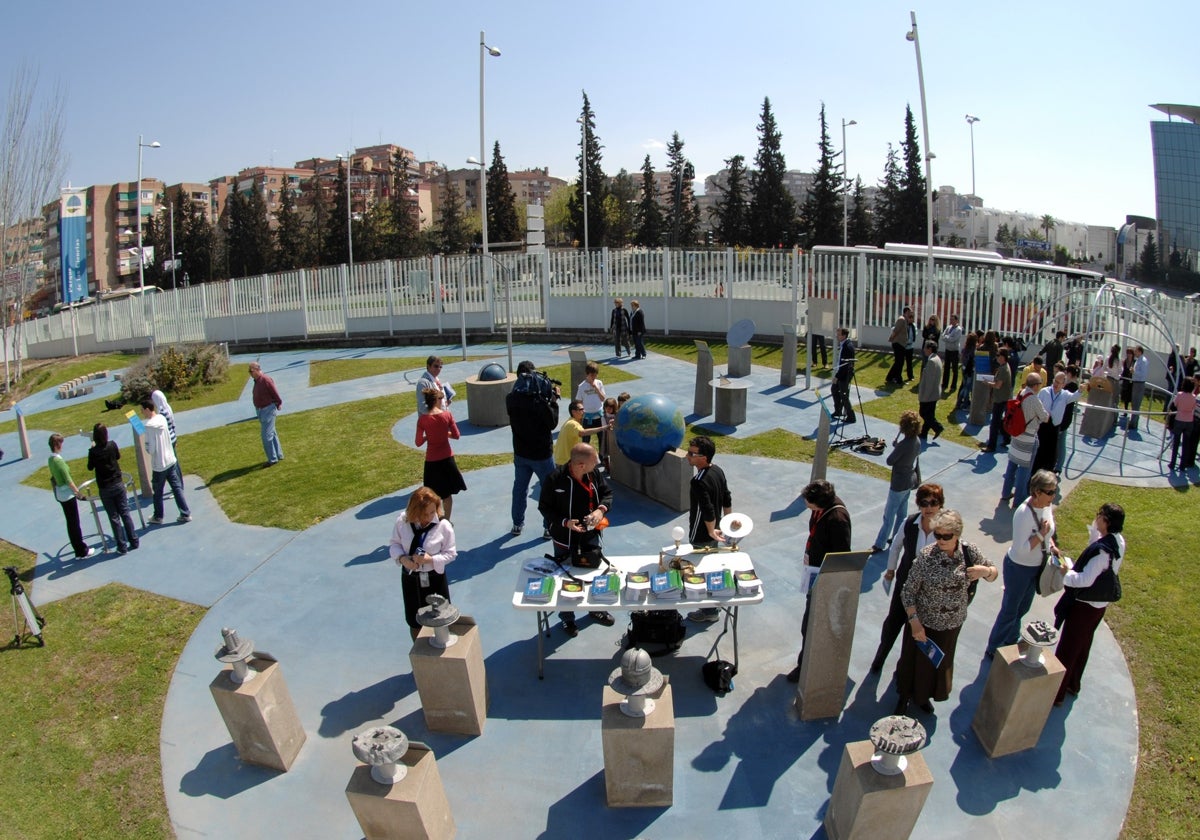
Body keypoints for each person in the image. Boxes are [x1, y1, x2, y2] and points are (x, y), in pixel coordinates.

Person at [894, 509, 997, 715]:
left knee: (936, 666)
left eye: (946, 536)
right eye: (937, 535)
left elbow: (994, 573)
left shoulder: (970, 552)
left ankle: (922, 697)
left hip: (951, 624)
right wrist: (915, 623)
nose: (940, 540)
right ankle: (904, 698)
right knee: (913, 664)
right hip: (924, 624)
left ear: (957, 534)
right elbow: (908, 592)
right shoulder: (926, 556)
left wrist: (985, 571)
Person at [537, 443, 615, 637]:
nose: (596, 466)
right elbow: (544, 507)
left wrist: (600, 510)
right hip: (564, 539)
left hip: (590, 537)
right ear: (580, 464)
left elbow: (607, 494)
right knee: (564, 578)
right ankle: (567, 618)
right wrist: (565, 523)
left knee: (594, 574)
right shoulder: (555, 479)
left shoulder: (594, 475)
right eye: (593, 463)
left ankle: (595, 608)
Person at [1053, 502, 1126, 706]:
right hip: (1098, 606)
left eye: (1099, 515)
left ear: (1106, 521)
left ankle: (1055, 693)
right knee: (1083, 644)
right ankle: (1072, 684)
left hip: (1084, 606)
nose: (1096, 517)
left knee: (1068, 647)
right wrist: (1095, 532)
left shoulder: (1103, 554)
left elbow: (1085, 580)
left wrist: (1066, 574)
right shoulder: (1118, 542)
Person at [870, 483, 944, 673]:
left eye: (933, 503)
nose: (928, 508)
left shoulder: (945, 529)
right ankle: (879, 658)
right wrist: (891, 570)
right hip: (905, 584)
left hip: (927, 591)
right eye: (924, 503)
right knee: (893, 624)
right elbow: (896, 547)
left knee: (916, 633)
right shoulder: (910, 523)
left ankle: (902, 671)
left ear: (940, 504)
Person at [985, 470, 1060, 657]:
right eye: (1050, 492)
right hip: (1019, 568)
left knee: (1022, 608)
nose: (1054, 495)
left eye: (1055, 491)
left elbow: (1048, 529)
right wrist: (1041, 535)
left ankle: (1010, 640)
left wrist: (1050, 543)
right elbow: (1021, 549)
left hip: (1035, 567)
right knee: (1009, 611)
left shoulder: (1046, 506)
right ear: (1037, 491)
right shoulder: (1024, 514)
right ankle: (993, 648)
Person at [787, 480, 852, 682]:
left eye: (809, 502)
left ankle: (807, 667)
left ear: (820, 503)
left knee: (813, 624)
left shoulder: (837, 519)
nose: (806, 504)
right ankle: (806, 662)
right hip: (813, 570)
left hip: (824, 580)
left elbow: (840, 557)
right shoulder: (820, 510)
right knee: (808, 624)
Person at [389, 486, 457, 641]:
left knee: (442, 618)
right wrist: (402, 559)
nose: (428, 517)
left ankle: (444, 653)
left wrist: (430, 560)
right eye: (423, 514)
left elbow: (451, 553)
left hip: (434, 578)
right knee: (414, 621)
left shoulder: (443, 526)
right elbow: (394, 544)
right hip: (411, 578)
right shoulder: (402, 521)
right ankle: (421, 656)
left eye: (432, 512)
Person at [684, 435, 733, 624]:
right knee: (713, 568)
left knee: (701, 570)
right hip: (717, 529)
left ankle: (708, 611)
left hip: (702, 533)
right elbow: (727, 497)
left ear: (703, 458)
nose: (688, 456)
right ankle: (714, 601)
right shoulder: (718, 471)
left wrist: (711, 531)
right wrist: (726, 522)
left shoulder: (698, 481)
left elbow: (707, 509)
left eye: (691, 453)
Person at [507, 360, 559, 538]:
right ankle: (548, 526)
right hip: (542, 455)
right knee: (549, 490)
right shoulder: (539, 402)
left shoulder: (511, 399)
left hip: (521, 453)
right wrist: (553, 402)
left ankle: (517, 524)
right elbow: (552, 423)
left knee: (519, 489)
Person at [871, 411, 921, 554]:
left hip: (899, 482)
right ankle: (897, 537)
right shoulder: (916, 440)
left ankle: (879, 544)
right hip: (909, 480)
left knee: (889, 515)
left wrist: (897, 447)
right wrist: (898, 447)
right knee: (902, 513)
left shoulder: (904, 445)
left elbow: (890, 461)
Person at [415, 388, 466, 522]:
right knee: (447, 494)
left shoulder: (423, 420)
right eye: (441, 398)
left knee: (430, 495)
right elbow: (456, 435)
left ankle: (433, 519)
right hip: (447, 459)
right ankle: (446, 521)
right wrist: (445, 434)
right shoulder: (447, 415)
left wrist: (427, 437)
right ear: (436, 400)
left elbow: (418, 442)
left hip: (431, 461)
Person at [87, 423, 139, 555]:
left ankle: (122, 546)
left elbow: (90, 467)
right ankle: (134, 540)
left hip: (105, 487)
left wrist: (93, 449)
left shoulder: (93, 452)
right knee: (125, 512)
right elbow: (117, 456)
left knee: (114, 517)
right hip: (117, 483)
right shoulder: (112, 445)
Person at [141, 398, 192, 524]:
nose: (141, 412)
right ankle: (185, 513)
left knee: (157, 492)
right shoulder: (162, 418)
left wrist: (147, 446)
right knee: (176, 487)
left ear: (147, 409)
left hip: (159, 465)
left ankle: (158, 516)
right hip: (170, 460)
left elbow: (151, 449)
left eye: (142, 410)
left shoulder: (149, 426)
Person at [1001, 372, 1048, 507]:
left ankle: (1005, 493)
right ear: (1036, 385)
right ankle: (1019, 500)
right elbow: (1044, 416)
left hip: (1016, 434)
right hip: (1028, 438)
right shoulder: (1034, 399)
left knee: (1012, 465)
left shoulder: (1021, 393)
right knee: (1024, 470)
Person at [47, 433, 94, 560]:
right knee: (74, 523)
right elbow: (69, 481)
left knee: (71, 523)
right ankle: (81, 550)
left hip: (60, 495)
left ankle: (78, 549)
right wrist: (79, 494)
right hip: (67, 495)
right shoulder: (59, 461)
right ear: (57, 445)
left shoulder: (51, 459)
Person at [1032, 371, 1082, 475]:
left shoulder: (1065, 395)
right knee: (1038, 452)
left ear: (1063, 384)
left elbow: (1075, 396)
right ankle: (1034, 474)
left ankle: (1047, 475)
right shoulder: (1044, 391)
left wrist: (1081, 390)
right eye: (1055, 381)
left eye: (1059, 383)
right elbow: (1036, 407)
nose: (1056, 384)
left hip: (1054, 428)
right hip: (1042, 426)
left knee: (1051, 454)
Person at [248, 362, 284, 466]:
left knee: (266, 436)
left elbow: (275, 392)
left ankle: (272, 459)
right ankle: (279, 454)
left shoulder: (265, 379)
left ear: (257, 370)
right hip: (262, 410)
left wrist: (278, 403)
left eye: (251, 371)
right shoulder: (257, 380)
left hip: (268, 410)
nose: (250, 373)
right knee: (272, 434)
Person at [554, 399, 606, 465]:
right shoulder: (573, 424)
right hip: (565, 462)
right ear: (573, 412)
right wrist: (603, 428)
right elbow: (583, 432)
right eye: (581, 409)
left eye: (584, 409)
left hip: (564, 460)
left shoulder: (571, 421)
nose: (584, 411)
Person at [980, 347, 1013, 452]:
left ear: (1003, 357)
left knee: (994, 424)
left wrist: (987, 383)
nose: (997, 357)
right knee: (1000, 421)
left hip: (1000, 399)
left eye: (998, 355)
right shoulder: (1004, 366)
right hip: (1003, 398)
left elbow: (998, 385)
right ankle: (1007, 438)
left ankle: (991, 446)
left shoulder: (1003, 369)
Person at [917, 340, 944, 441]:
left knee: (924, 413)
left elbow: (929, 381)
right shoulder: (937, 359)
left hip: (930, 394)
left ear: (930, 349)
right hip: (935, 393)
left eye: (925, 348)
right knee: (929, 414)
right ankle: (924, 433)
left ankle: (938, 427)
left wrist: (925, 396)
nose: (924, 350)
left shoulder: (932, 361)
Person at [1168, 379, 1196, 471]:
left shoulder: (1179, 395)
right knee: (1186, 444)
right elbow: (1193, 408)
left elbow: (1174, 406)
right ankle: (1182, 465)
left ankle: (1172, 463)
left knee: (1176, 443)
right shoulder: (1193, 397)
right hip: (1189, 421)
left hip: (1179, 420)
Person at [831, 328, 856, 422]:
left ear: (844, 336)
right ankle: (838, 411)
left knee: (844, 395)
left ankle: (851, 416)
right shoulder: (844, 345)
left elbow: (845, 365)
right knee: (834, 389)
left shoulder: (847, 347)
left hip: (845, 374)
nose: (837, 336)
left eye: (839, 335)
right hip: (842, 373)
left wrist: (837, 377)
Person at [576, 361, 607, 431]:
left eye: (595, 375)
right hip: (587, 417)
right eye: (592, 375)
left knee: (601, 437)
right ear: (587, 374)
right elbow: (579, 402)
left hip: (599, 416)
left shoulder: (599, 383)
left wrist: (595, 387)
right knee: (586, 438)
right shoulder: (582, 386)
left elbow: (602, 398)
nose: (594, 377)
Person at [886, 307, 911, 385]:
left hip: (901, 343)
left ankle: (890, 377)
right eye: (909, 313)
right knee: (899, 362)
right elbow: (896, 330)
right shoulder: (901, 319)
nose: (910, 315)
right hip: (898, 343)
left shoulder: (905, 320)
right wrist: (891, 338)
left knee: (899, 362)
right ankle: (898, 379)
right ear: (906, 312)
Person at [940, 314, 963, 393]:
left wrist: (947, 337)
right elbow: (943, 336)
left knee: (954, 369)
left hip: (954, 350)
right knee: (946, 367)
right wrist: (947, 337)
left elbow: (953, 339)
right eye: (951, 319)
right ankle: (944, 384)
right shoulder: (948, 327)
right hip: (948, 350)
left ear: (957, 320)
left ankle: (953, 385)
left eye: (953, 319)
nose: (951, 321)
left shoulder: (958, 329)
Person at [1129, 345, 1149, 431]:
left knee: (1136, 403)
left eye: (1136, 351)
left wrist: (1134, 372)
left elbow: (1142, 374)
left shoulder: (1143, 361)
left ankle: (1134, 423)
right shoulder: (1138, 360)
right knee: (1134, 403)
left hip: (1139, 383)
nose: (1134, 353)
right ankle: (1133, 421)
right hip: (1136, 382)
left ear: (1140, 351)